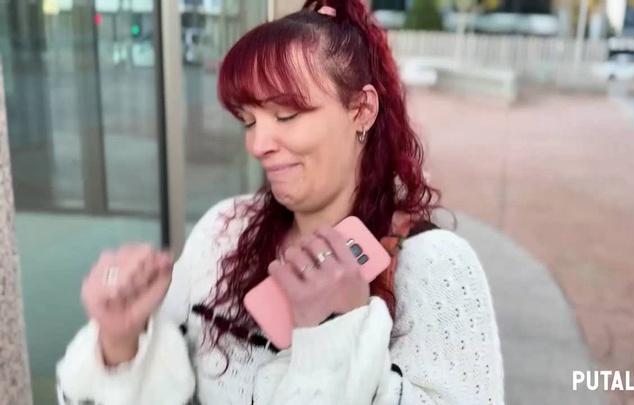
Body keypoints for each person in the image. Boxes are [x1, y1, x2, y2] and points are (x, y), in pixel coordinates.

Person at [56, 1, 504, 404]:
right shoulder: (224, 230)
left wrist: (340, 335)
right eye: (249, 120)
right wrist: (122, 347)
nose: (258, 144)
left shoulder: (432, 266)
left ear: (362, 111)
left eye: (286, 115)